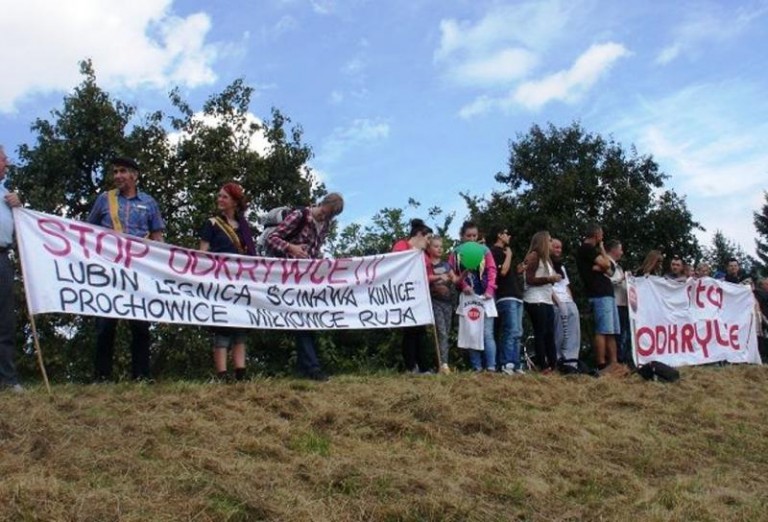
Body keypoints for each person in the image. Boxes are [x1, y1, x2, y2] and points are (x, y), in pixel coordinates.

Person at [88, 157, 165, 382]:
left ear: (134, 175)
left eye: (122, 171)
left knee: (140, 325)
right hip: (108, 271)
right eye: (115, 172)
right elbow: (87, 230)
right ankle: (102, 376)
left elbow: (158, 237)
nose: (118, 176)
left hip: (138, 273)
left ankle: (141, 375)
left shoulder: (149, 203)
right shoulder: (104, 200)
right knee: (105, 324)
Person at [266, 192, 344, 381]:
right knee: (303, 319)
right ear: (322, 203)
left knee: (305, 319)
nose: (326, 217)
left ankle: (305, 368)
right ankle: (312, 367)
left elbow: (314, 250)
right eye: (326, 212)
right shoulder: (300, 215)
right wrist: (291, 248)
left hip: (306, 278)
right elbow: (272, 238)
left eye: (331, 216)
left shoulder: (325, 225)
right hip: (286, 275)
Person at [199, 182, 256, 382]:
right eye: (219, 196)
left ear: (234, 201)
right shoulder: (212, 223)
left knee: (240, 328)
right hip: (220, 283)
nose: (219, 199)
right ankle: (222, 375)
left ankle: (241, 373)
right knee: (222, 327)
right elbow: (203, 253)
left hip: (241, 283)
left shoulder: (245, 229)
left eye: (224, 197)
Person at [450, 221, 497, 372]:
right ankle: (477, 367)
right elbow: (452, 273)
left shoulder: (484, 250)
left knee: (487, 333)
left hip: (485, 296)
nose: (472, 238)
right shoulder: (456, 252)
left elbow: (491, 270)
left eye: (474, 235)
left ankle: (491, 367)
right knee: (471, 332)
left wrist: (490, 289)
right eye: (468, 235)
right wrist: (463, 286)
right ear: (462, 236)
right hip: (468, 297)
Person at [575, 223, 621, 373]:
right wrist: (603, 257)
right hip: (598, 293)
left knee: (611, 330)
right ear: (596, 234)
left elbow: (610, 271)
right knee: (603, 329)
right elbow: (606, 264)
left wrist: (603, 265)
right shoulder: (586, 249)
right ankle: (601, 363)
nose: (603, 237)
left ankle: (614, 363)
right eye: (601, 234)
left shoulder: (593, 251)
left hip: (607, 293)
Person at [392, 219, 434, 374]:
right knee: (410, 332)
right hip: (405, 297)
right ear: (419, 235)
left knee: (421, 333)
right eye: (428, 238)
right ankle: (411, 366)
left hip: (420, 299)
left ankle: (423, 367)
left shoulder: (425, 256)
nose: (429, 242)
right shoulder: (401, 246)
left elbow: (428, 275)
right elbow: (394, 266)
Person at [0, 146, 23, 393]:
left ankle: (7, 378)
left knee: (4, 320)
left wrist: (19, 206)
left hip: (2, 257)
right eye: (4, 159)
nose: (7, 163)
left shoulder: (6, 194)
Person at [489, 227, 525, 375]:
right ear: (499, 235)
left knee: (518, 331)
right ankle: (506, 363)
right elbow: (502, 271)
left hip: (516, 295)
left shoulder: (504, 253)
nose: (509, 236)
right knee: (510, 330)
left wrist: (518, 270)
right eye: (507, 233)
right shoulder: (494, 252)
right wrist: (509, 255)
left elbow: (508, 271)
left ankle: (516, 364)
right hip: (505, 296)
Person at [523, 231, 560, 373]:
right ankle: (543, 365)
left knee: (550, 333)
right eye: (549, 240)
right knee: (541, 332)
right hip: (535, 299)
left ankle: (553, 364)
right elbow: (530, 279)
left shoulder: (547, 260)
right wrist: (549, 279)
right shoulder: (534, 256)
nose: (552, 243)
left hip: (546, 299)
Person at [426, 235, 455, 374]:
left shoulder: (446, 264)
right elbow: (425, 276)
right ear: (429, 248)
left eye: (441, 246)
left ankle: (444, 363)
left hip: (448, 302)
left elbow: (455, 279)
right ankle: (443, 364)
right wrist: (439, 277)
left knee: (446, 333)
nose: (439, 249)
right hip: (434, 301)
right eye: (436, 246)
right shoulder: (427, 263)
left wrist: (464, 274)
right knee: (441, 331)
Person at [551, 238, 581, 370]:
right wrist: (558, 302)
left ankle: (571, 360)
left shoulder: (561, 267)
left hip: (567, 300)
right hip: (555, 300)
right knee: (559, 330)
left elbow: (566, 285)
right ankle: (557, 358)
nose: (558, 250)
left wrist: (571, 301)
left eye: (560, 248)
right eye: (556, 247)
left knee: (574, 328)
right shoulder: (544, 264)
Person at [606, 240, 630, 365]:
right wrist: (622, 279)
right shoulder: (608, 264)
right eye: (620, 249)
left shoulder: (617, 266)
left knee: (624, 333)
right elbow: (608, 281)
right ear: (613, 250)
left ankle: (623, 359)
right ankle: (619, 360)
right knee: (619, 334)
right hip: (616, 303)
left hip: (623, 303)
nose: (622, 252)